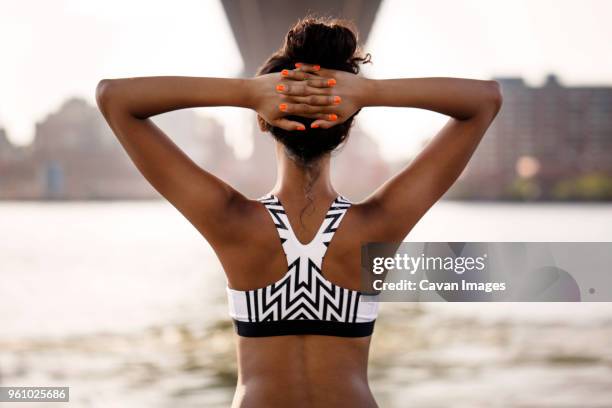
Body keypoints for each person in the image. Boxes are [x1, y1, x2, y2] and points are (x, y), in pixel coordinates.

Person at [96, 16, 502, 408]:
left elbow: (114, 97)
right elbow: (484, 100)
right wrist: (367, 93)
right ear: (347, 124)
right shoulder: (377, 225)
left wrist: (248, 92)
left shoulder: (231, 222)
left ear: (262, 122)